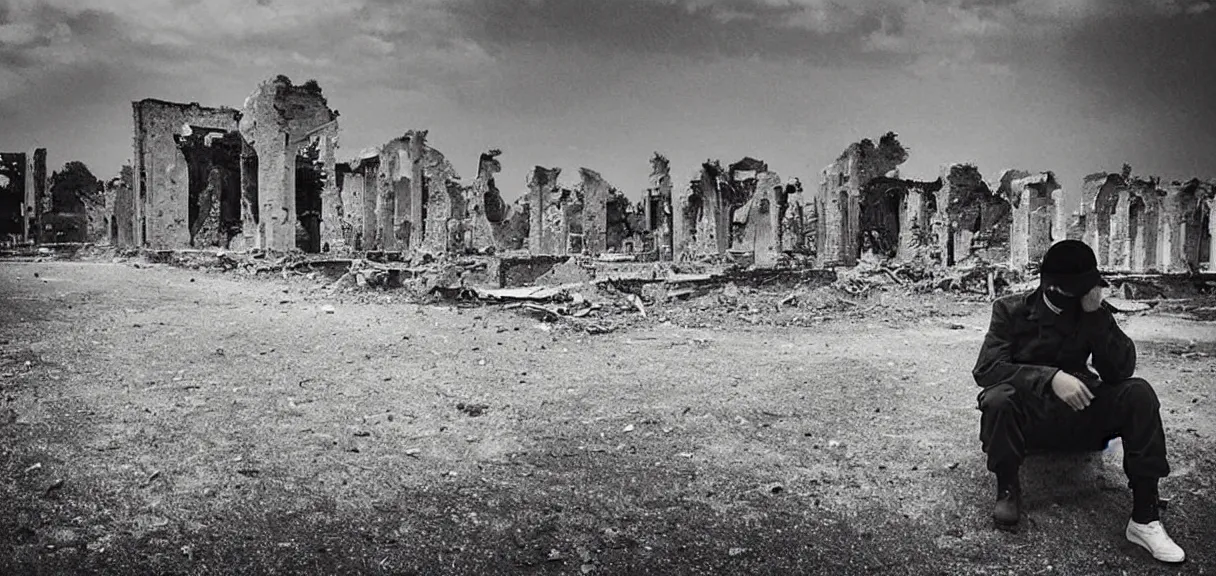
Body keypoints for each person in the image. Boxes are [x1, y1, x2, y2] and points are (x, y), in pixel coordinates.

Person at [972, 239, 1185, 563]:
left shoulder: (1091, 311)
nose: (1087, 295)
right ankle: (1007, 487)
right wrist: (1050, 378)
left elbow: (1120, 370)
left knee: (1138, 393)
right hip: (1028, 423)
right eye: (1081, 289)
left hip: (1080, 415)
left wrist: (1097, 317)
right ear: (1053, 287)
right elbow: (987, 369)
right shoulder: (1010, 310)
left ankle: (1144, 516)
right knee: (998, 399)